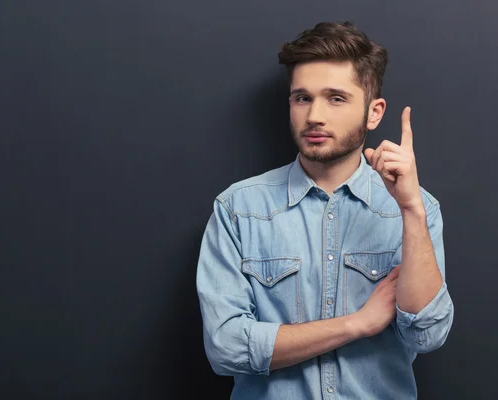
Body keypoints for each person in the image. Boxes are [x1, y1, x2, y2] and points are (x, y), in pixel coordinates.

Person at [195, 21, 454, 399]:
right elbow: (225, 347)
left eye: (336, 98)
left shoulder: (418, 208)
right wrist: (356, 324)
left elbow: (427, 333)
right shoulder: (238, 209)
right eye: (302, 98)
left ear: (374, 112)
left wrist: (410, 208)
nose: (314, 115)